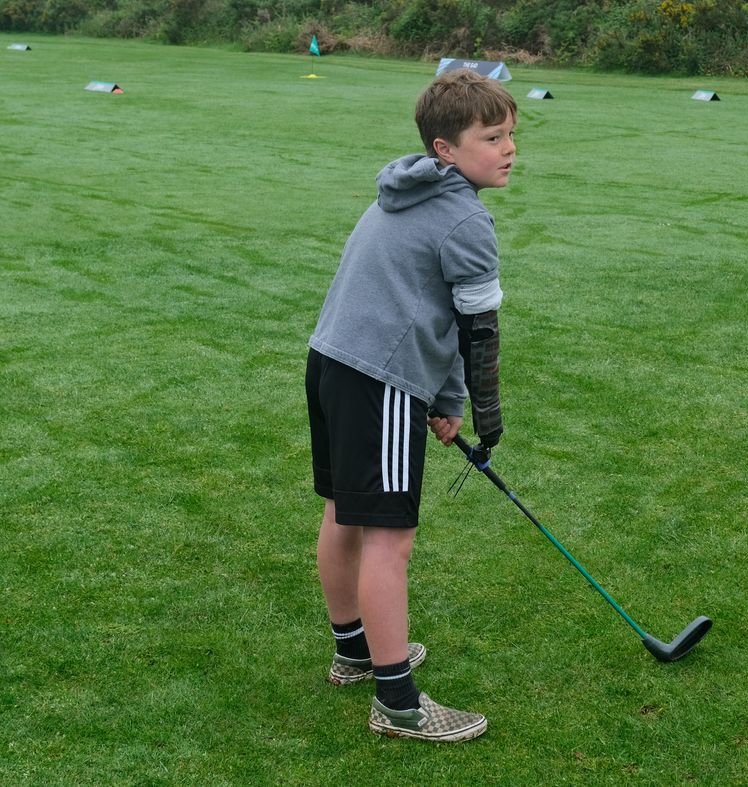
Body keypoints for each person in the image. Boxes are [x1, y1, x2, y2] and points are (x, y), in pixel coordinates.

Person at [304, 68, 517, 742]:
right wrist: (488, 418)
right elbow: (478, 335)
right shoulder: (465, 221)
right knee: (389, 541)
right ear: (445, 148)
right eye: (492, 136)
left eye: (512, 134)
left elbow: (434, 317)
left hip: (333, 362)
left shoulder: (406, 187)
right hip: (380, 380)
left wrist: (446, 398)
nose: (509, 148)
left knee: (347, 510)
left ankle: (354, 652)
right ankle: (398, 701)